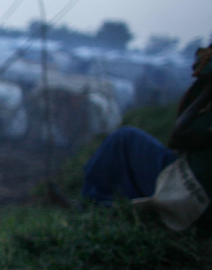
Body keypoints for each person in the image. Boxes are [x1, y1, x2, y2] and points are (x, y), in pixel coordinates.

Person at [82, 42, 212, 231]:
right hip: (196, 187)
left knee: (124, 138)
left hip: (192, 195)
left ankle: (94, 205)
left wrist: (206, 92)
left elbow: (179, 136)